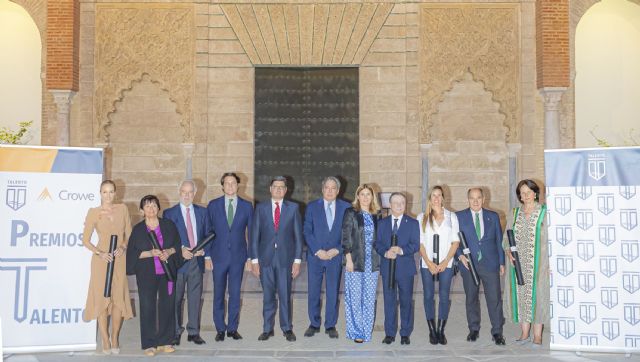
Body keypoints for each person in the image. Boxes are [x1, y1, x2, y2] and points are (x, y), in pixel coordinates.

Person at [126, 195, 184, 356]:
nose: (151, 209)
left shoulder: (168, 225)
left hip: (167, 272)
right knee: (147, 307)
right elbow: (132, 254)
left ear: (159, 208)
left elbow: (177, 246)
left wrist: (169, 251)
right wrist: (150, 253)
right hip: (146, 274)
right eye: (147, 206)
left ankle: (165, 341)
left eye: (154, 206)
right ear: (141, 210)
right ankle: (149, 344)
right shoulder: (138, 230)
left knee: (167, 305)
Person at [81, 180, 133, 355]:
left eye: (111, 192)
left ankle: (115, 336)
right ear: (100, 193)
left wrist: (123, 246)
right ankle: (104, 338)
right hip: (101, 260)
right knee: (103, 300)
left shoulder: (123, 209)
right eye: (105, 192)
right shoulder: (93, 212)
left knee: (118, 299)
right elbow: (85, 240)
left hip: (119, 259)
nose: (108, 195)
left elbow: (129, 232)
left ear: (115, 193)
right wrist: (100, 253)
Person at [250, 176, 303, 342]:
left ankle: (287, 328)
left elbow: (298, 237)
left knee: (285, 295)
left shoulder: (293, 208)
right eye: (275, 187)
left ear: (286, 190)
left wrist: (297, 261)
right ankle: (267, 329)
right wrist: (254, 261)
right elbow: (254, 236)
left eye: (282, 187)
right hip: (265, 259)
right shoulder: (260, 208)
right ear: (270, 189)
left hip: (285, 260)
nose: (278, 190)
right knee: (267, 296)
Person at [206, 172, 253, 341]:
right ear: (222, 186)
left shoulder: (247, 206)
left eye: (233, 183)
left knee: (234, 293)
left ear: (238, 185)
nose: (230, 186)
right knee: (218, 293)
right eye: (227, 183)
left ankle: (232, 328)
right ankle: (220, 328)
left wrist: (250, 257)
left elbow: (252, 234)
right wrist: (207, 256)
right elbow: (207, 232)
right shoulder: (213, 205)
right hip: (218, 257)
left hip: (238, 258)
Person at [455, 188, 505, 345]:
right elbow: (453, 240)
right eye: (472, 198)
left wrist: (502, 262)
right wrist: (459, 255)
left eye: (478, 198)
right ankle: (473, 329)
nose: (475, 201)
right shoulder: (459, 217)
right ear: (468, 199)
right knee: (471, 298)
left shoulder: (493, 216)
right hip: (469, 265)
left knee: (494, 299)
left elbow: (499, 240)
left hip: (490, 264)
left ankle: (497, 332)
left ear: (484, 199)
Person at [163, 180, 210, 346]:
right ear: (179, 191)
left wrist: (204, 251)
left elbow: (208, 235)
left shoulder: (203, 212)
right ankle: (175, 331)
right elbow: (167, 238)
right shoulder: (169, 213)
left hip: (196, 262)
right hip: (178, 262)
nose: (187, 195)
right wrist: (181, 248)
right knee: (176, 298)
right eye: (184, 191)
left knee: (195, 298)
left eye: (190, 192)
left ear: (195, 193)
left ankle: (193, 332)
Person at [303, 176, 350, 339]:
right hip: (315, 256)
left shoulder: (346, 207)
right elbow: (307, 231)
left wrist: (337, 250)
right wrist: (317, 250)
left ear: (338, 190)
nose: (330, 191)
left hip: (335, 257)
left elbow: (348, 233)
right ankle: (314, 324)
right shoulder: (312, 207)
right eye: (327, 188)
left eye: (333, 188)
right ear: (322, 189)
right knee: (313, 291)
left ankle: (330, 325)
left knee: (332, 291)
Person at [505, 179, 549, 346]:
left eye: (528, 192)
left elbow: (553, 238)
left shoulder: (545, 212)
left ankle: (537, 335)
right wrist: (508, 251)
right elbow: (506, 236)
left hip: (540, 263)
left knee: (538, 297)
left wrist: (551, 262)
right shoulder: (514, 213)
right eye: (522, 193)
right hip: (518, 264)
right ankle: (524, 332)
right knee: (522, 296)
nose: (526, 196)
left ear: (535, 193)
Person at [417, 185, 460, 345]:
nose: (436, 198)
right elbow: (420, 243)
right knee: (428, 296)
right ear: (430, 198)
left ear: (443, 198)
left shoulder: (451, 216)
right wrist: (428, 262)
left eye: (439, 195)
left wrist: (444, 262)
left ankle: (441, 330)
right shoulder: (422, 217)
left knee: (443, 296)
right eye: (433, 195)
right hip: (426, 263)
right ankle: (431, 330)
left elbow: (455, 242)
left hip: (446, 264)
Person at [376, 192, 420, 345]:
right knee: (389, 301)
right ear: (390, 205)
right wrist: (385, 252)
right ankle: (389, 333)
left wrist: (401, 250)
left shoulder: (413, 223)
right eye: (396, 203)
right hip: (388, 268)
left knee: (406, 301)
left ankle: (405, 333)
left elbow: (415, 244)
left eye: (402, 202)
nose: (399, 205)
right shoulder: (382, 223)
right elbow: (378, 243)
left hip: (405, 269)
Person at [341, 183, 381, 343]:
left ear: (372, 197)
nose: (365, 197)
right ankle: (357, 331)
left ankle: (366, 329)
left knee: (369, 298)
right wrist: (348, 259)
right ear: (357, 196)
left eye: (368, 194)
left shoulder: (377, 214)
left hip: (373, 262)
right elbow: (345, 236)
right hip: (355, 261)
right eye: (362, 194)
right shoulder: (350, 212)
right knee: (355, 298)